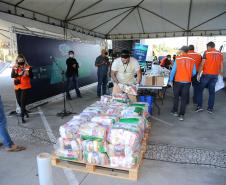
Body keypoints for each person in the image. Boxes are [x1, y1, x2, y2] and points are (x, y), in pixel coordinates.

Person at [168, 46, 196, 121]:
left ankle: (175, 111)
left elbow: (173, 71)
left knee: (176, 97)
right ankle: (181, 115)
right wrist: (188, 75)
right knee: (184, 98)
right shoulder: (192, 60)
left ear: (183, 51)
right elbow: (194, 72)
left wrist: (170, 80)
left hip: (177, 81)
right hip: (187, 82)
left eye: (180, 50)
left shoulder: (178, 58)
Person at [196, 42, 224, 113]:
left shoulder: (206, 52)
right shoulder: (220, 54)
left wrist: (199, 74)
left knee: (200, 90)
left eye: (207, 47)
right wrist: (220, 74)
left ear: (209, 47)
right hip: (215, 75)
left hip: (206, 75)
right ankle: (210, 108)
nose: (206, 48)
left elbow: (202, 64)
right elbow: (221, 65)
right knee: (212, 92)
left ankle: (199, 106)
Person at [11, 54, 33, 123]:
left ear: (24, 60)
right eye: (19, 60)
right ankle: (25, 112)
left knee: (23, 102)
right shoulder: (15, 67)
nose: (20, 61)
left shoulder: (27, 67)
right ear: (17, 61)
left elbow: (32, 76)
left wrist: (28, 74)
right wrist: (18, 74)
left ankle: (22, 117)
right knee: (19, 102)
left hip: (25, 86)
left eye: (22, 60)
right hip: (17, 86)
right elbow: (12, 75)